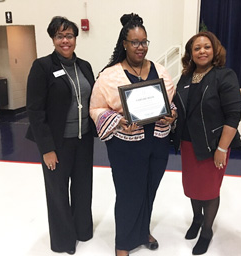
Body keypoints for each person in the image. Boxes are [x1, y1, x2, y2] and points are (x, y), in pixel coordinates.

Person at [89, 13, 176, 256]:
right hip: (126, 147)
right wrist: (117, 120)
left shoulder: (159, 70)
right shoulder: (109, 76)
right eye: (135, 42)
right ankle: (123, 243)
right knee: (128, 194)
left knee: (149, 189)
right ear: (124, 44)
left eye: (145, 42)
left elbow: (169, 102)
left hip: (157, 143)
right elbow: (95, 109)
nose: (141, 47)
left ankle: (143, 232)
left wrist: (173, 114)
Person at [26, 16, 96, 254]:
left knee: (83, 188)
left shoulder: (84, 66)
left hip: (83, 140)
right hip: (57, 143)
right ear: (53, 39)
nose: (65, 40)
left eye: (69, 36)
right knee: (57, 193)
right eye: (60, 36)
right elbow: (35, 111)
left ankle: (83, 231)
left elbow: (94, 100)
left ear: (76, 38)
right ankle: (64, 241)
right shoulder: (42, 67)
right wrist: (46, 149)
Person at [172, 31, 241, 255]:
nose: (202, 51)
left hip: (214, 145)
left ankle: (207, 231)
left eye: (206, 47)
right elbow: (180, 109)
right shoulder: (185, 78)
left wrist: (222, 148)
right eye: (196, 48)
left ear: (215, 51)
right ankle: (197, 219)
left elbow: (233, 115)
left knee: (210, 190)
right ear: (190, 54)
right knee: (193, 188)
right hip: (188, 144)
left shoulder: (225, 76)